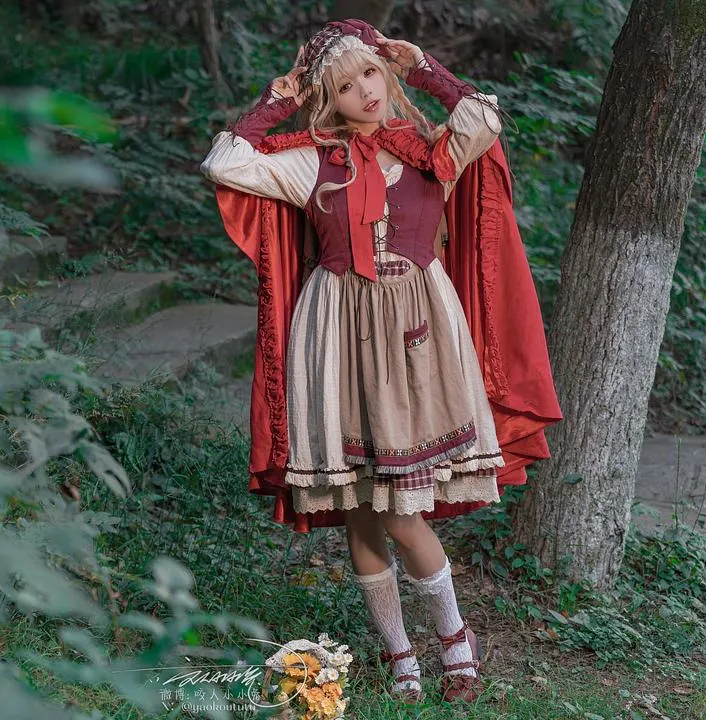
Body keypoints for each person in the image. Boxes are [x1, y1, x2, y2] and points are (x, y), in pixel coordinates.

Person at [199, 18, 563, 704]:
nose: (365, 90)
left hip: (417, 332)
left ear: (387, 73)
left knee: (398, 505)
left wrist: (424, 68)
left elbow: (484, 117)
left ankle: (455, 639)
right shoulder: (311, 162)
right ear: (326, 100)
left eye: (371, 72)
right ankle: (401, 654)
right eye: (345, 85)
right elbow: (226, 163)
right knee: (360, 509)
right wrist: (277, 103)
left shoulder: (429, 151)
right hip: (336, 333)